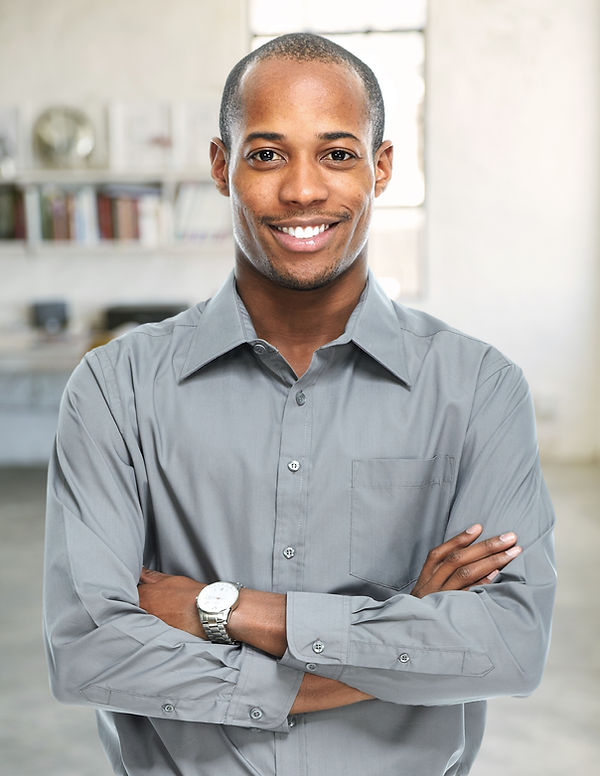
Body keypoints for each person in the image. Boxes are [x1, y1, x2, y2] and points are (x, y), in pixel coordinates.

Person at [43, 33, 556, 776]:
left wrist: (226, 609)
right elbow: (90, 651)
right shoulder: (113, 387)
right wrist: (399, 635)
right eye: (267, 154)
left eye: (338, 154)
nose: (303, 190)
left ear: (381, 167)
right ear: (221, 166)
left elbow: (508, 644)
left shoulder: (479, 388)